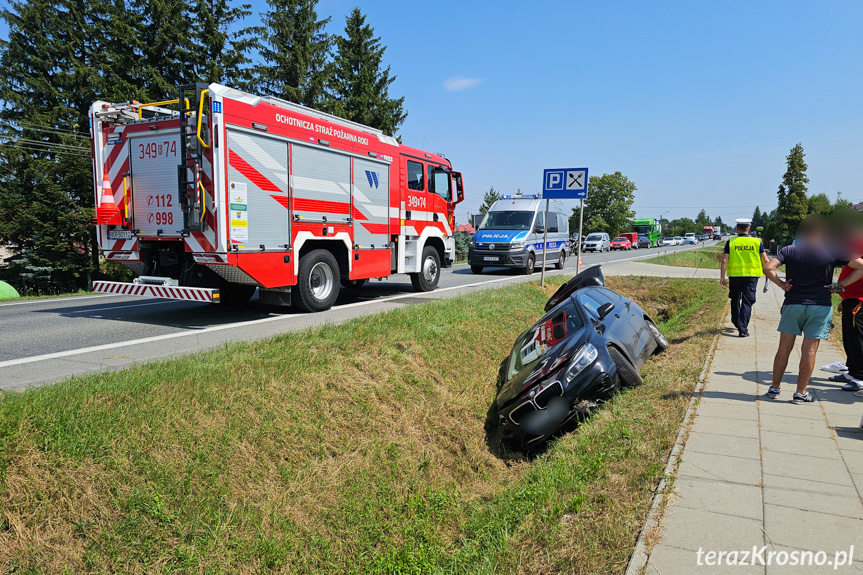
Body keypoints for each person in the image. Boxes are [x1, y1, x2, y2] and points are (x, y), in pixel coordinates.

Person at [763, 216, 863, 404]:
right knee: (809, 350)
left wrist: (782, 284)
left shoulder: (789, 250)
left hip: (793, 303)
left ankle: (774, 388)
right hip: (819, 306)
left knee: (784, 347)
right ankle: (800, 393)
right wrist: (840, 285)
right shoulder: (832, 250)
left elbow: (768, 268)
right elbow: (861, 267)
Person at [720, 218, 768, 337]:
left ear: (737, 229)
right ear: (749, 229)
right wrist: (768, 276)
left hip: (735, 276)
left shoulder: (731, 242)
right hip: (751, 276)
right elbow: (766, 259)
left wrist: (722, 277)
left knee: (735, 299)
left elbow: (724, 260)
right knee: (747, 301)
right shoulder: (757, 242)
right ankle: (743, 329)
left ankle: (736, 321)